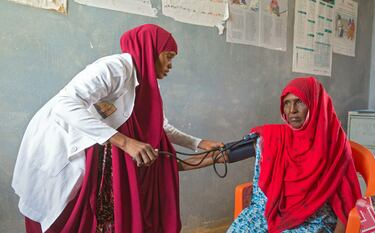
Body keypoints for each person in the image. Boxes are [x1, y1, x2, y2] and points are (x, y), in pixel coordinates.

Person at [12, 24, 223, 233]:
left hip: (97, 151)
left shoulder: (146, 85)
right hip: (60, 143)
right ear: (151, 50)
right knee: (63, 211)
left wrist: (199, 143)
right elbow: (64, 105)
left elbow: (159, 126)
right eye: (168, 56)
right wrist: (126, 143)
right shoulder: (115, 68)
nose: (170, 65)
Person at [228, 77, 362, 233]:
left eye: (300, 102)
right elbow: (228, 154)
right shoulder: (276, 137)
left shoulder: (335, 145)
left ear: (316, 104)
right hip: (274, 215)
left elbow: (347, 204)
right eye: (287, 103)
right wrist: (198, 147)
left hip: (315, 221)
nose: (292, 110)